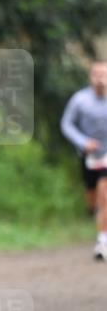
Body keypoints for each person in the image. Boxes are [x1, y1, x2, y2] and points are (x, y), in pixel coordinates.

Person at [60, 60, 107, 261]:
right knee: (93, 199)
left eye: (104, 74)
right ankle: (95, 213)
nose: (100, 78)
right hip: (88, 156)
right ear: (90, 77)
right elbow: (66, 124)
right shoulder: (80, 100)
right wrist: (83, 142)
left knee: (105, 195)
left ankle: (102, 241)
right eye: (96, 74)